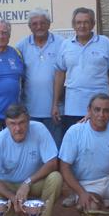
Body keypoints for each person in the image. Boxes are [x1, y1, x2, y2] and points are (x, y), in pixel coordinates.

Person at [0, 104, 62, 216]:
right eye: (12, 124)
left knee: (56, 178)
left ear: (28, 120)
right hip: (9, 185)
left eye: (22, 122)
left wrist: (27, 183)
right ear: (6, 123)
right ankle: (11, 213)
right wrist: (13, 197)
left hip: (34, 182)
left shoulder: (39, 129)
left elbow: (52, 163)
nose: (17, 128)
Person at [52, 7, 109, 136]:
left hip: (101, 108)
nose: (82, 26)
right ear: (73, 25)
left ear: (93, 24)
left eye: (86, 22)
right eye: (78, 22)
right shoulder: (65, 45)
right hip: (73, 107)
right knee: (75, 144)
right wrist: (55, 104)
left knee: (101, 142)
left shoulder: (105, 42)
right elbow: (60, 73)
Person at [16, 8, 64, 148]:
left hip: (55, 110)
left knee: (55, 147)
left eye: (42, 23)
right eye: (35, 24)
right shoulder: (21, 46)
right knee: (33, 148)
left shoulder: (62, 43)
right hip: (30, 110)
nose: (39, 27)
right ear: (29, 26)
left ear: (49, 24)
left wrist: (56, 105)